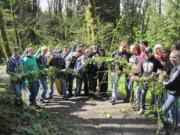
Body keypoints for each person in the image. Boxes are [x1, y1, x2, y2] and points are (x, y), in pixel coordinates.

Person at [137, 47, 163, 114]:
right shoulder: (143, 61)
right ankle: (142, 107)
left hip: (153, 81)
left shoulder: (156, 61)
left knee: (153, 95)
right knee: (143, 94)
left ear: (151, 52)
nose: (147, 54)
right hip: (145, 80)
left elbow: (161, 69)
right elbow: (141, 72)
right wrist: (138, 77)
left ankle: (152, 108)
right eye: (145, 52)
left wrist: (157, 73)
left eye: (148, 52)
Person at [161, 50, 180, 132]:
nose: (172, 59)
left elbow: (172, 81)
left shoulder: (178, 68)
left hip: (174, 93)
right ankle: (175, 127)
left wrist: (163, 82)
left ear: (178, 58)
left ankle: (167, 126)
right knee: (175, 110)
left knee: (163, 110)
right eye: (171, 57)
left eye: (174, 57)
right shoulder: (175, 66)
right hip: (172, 91)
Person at [111, 40, 130, 105]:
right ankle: (113, 98)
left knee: (127, 84)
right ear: (120, 46)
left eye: (125, 48)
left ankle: (129, 96)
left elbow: (128, 61)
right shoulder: (114, 53)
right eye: (122, 47)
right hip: (115, 70)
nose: (123, 49)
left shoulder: (127, 53)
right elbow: (111, 62)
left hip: (124, 70)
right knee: (114, 83)